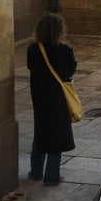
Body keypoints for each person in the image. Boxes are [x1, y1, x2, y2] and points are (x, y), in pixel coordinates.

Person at [27, 13, 76, 186]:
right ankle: (52, 176)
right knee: (57, 135)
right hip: (57, 98)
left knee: (40, 133)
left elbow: (30, 66)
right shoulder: (63, 50)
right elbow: (70, 70)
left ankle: (36, 172)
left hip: (39, 97)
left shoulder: (33, 48)